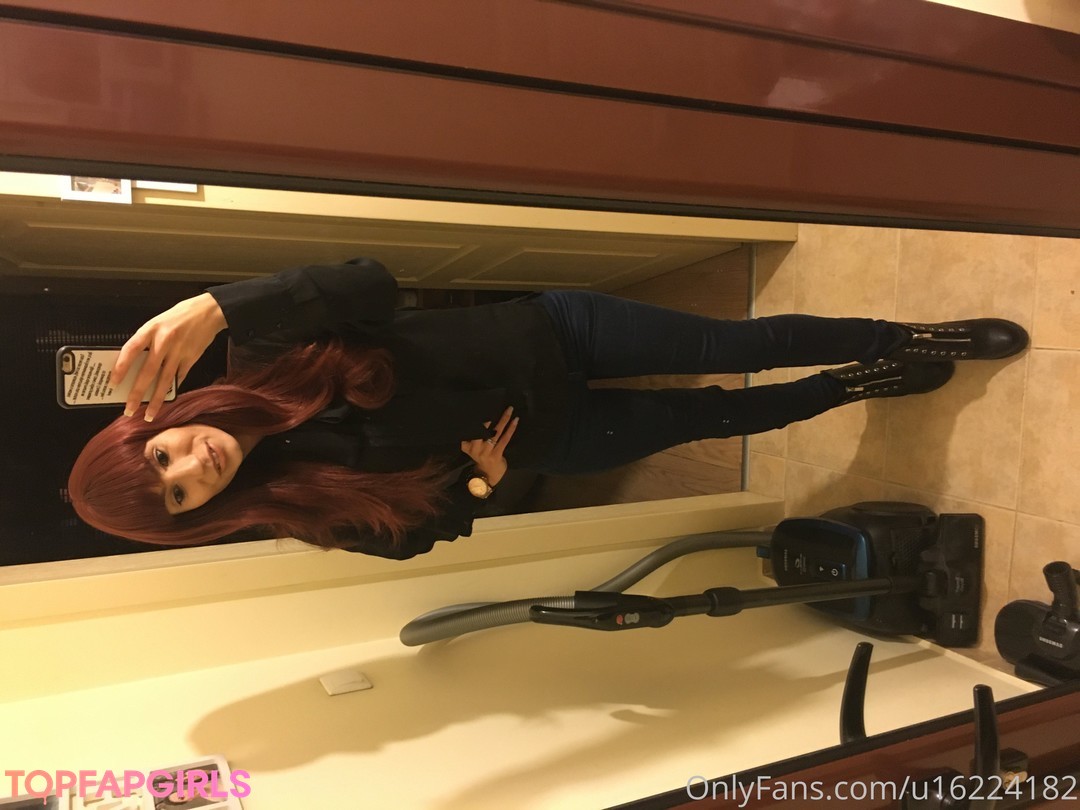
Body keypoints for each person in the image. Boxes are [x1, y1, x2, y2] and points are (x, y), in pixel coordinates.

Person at [68, 257, 1028, 559]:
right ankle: (856, 386)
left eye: (162, 460)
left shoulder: (259, 346)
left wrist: (223, 304)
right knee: (723, 418)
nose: (193, 468)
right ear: (200, 517)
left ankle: (902, 336)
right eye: (181, 497)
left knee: (735, 347)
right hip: (558, 437)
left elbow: (371, 282)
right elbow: (415, 537)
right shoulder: (301, 511)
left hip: (553, 337)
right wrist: (481, 486)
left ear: (154, 426)